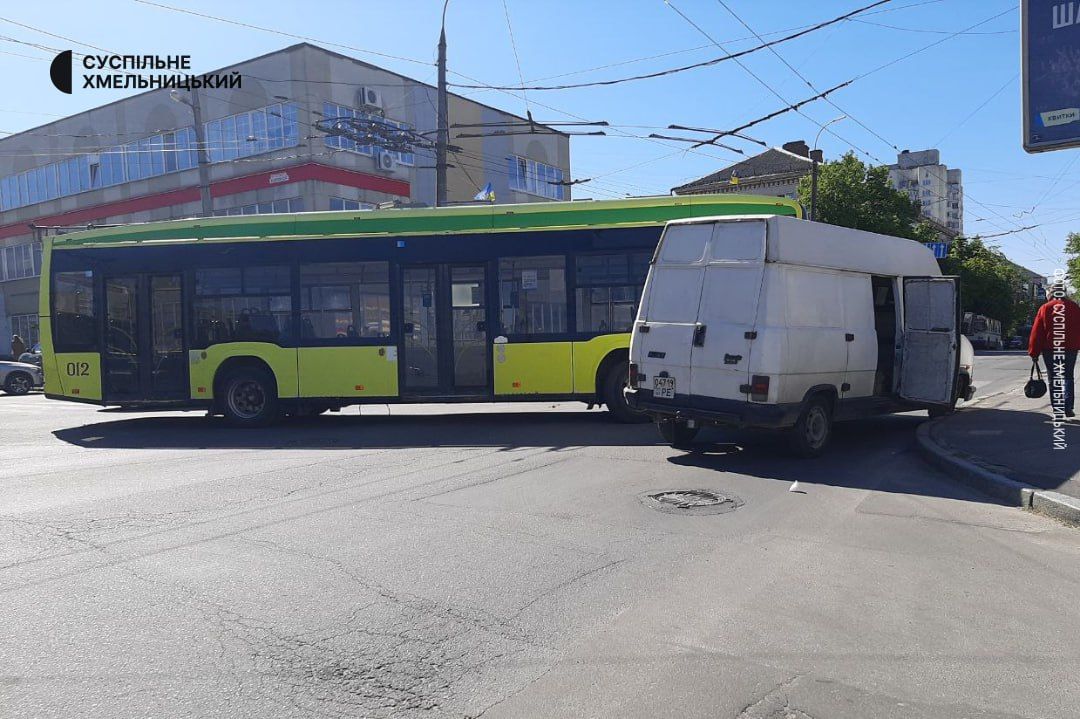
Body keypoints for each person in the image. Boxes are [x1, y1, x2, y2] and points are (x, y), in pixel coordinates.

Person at [1029, 282, 1080, 417]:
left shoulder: (1045, 308)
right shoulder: (1074, 307)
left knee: (1054, 378)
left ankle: (1057, 408)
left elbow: (1037, 332)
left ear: (1051, 293)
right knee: (1068, 376)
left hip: (1051, 349)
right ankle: (1068, 407)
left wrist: (1034, 352)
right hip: (1070, 348)